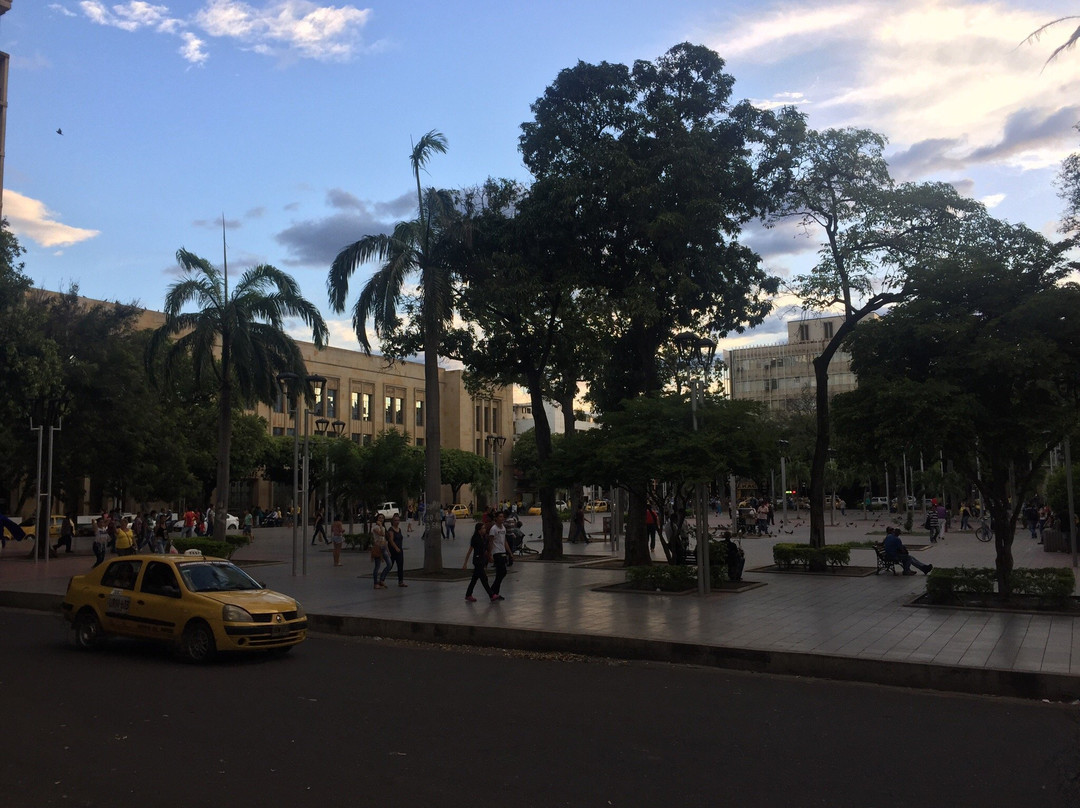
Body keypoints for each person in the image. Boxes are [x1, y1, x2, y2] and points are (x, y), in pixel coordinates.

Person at [462, 521, 494, 602]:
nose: (485, 529)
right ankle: (491, 595)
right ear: (479, 530)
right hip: (477, 561)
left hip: (482, 560)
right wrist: (465, 563)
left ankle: (468, 594)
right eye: (483, 528)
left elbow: (484, 550)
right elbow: (470, 550)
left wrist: (489, 557)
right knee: (484, 578)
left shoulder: (484, 538)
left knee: (474, 579)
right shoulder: (475, 538)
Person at [488, 510, 511, 600]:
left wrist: (509, 552)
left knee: (502, 573)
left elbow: (504, 541)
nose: (502, 518)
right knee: (501, 572)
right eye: (500, 517)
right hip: (496, 552)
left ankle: (493, 591)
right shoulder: (493, 529)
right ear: (496, 518)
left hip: (502, 551)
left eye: (503, 517)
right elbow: (490, 542)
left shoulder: (503, 528)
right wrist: (490, 554)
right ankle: (494, 592)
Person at [384, 514, 407, 587]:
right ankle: (382, 579)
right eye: (395, 520)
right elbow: (391, 540)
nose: (397, 522)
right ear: (392, 521)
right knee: (389, 565)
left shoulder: (399, 529)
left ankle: (401, 581)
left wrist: (399, 548)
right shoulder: (391, 530)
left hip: (400, 551)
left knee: (400, 566)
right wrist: (396, 548)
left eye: (398, 520)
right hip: (393, 551)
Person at [371, 514, 389, 589]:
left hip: (383, 547)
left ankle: (382, 579)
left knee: (389, 564)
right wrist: (380, 526)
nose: (381, 519)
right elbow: (381, 534)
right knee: (377, 566)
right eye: (379, 518)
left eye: (382, 518)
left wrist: (388, 550)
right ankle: (375, 583)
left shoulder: (383, 528)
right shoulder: (375, 527)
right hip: (378, 548)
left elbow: (384, 539)